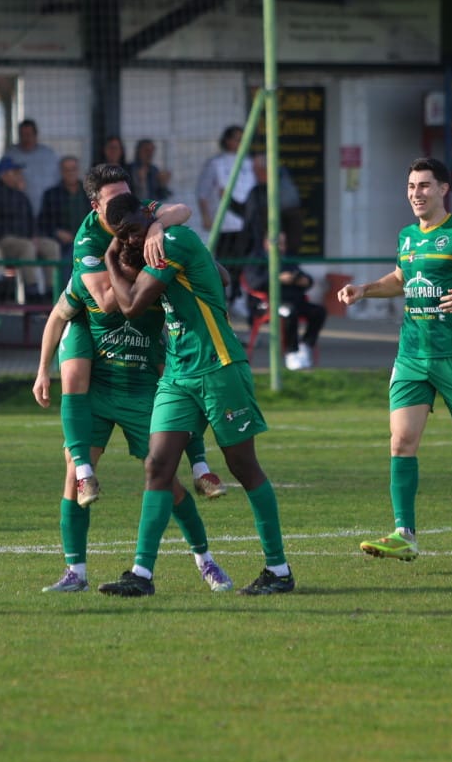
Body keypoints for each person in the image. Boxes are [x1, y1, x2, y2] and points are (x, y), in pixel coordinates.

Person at [98, 195, 295, 596]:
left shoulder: (172, 242)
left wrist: (110, 258)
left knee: (243, 466)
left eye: (134, 231)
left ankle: (279, 570)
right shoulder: (162, 242)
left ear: (147, 216)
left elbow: (131, 306)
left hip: (219, 367)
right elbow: (219, 274)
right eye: (123, 237)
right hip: (178, 373)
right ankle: (141, 575)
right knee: (157, 466)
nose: (132, 241)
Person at [336, 157, 452, 562]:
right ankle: (405, 534)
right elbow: (400, 279)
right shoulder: (407, 237)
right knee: (401, 441)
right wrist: (364, 290)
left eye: (423, 186)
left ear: (442, 190)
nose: (416, 194)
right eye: (411, 186)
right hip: (411, 355)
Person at [31, 246, 233, 594]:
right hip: (97, 390)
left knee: (165, 480)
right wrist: (42, 372)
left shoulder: (156, 282)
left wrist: (188, 255)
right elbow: (57, 317)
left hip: (141, 390)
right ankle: (75, 571)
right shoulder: (89, 281)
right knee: (73, 475)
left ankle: (206, 560)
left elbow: (223, 277)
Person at [51, 163, 221, 508]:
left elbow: (183, 210)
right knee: (72, 373)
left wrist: (156, 227)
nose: (123, 206)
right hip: (100, 328)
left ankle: (201, 467)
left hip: (145, 324)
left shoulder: (141, 214)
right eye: (114, 201)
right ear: (95, 207)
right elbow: (104, 301)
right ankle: (83, 475)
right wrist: (128, 254)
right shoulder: (87, 240)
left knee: (177, 378)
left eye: (127, 198)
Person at [0, 158, 62, 302]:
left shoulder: (22, 195)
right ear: (4, 175)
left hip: (26, 238)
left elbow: (31, 221)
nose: (19, 175)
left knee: (51, 246)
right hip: (3, 241)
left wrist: (34, 235)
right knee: (27, 246)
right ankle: (32, 292)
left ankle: (51, 292)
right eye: (14, 172)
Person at [244, 242, 326, 372]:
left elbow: (303, 276)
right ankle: (291, 353)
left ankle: (305, 345)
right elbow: (254, 283)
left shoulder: (287, 259)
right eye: (277, 242)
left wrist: (305, 281)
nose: (280, 246)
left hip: (295, 300)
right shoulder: (257, 259)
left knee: (319, 311)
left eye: (283, 243)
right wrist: (277, 278)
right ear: (266, 242)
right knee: (288, 312)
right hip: (268, 303)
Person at [195, 124, 254, 298]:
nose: (241, 142)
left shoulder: (250, 163)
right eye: (237, 138)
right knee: (226, 263)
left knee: (245, 263)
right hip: (225, 223)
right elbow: (203, 192)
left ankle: (241, 298)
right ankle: (224, 297)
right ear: (227, 141)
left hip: (247, 223)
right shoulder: (216, 163)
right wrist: (206, 216)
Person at [38, 155, 90, 279]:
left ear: (78, 170)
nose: (71, 173)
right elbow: (43, 222)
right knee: (69, 254)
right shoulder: (51, 194)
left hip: (87, 239)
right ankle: (64, 291)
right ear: (61, 172)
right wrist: (57, 232)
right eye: (67, 170)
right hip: (61, 242)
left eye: (73, 169)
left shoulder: (89, 193)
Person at [2, 118, 60, 216]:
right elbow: (0, 179)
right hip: (19, 209)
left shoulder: (49, 154)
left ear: (36, 135)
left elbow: (59, 179)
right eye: (23, 135)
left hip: (47, 209)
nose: (26, 138)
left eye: (29, 135)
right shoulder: (11, 155)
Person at [128, 139, 172, 203]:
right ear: (138, 151)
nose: (150, 154)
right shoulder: (130, 169)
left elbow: (162, 197)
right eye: (146, 150)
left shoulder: (154, 170)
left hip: (152, 209)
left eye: (152, 151)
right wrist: (140, 181)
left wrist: (163, 185)